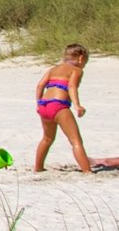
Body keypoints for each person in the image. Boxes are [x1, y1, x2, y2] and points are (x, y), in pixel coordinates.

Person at [31, 44, 92, 172]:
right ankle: (87, 171)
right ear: (81, 58)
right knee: (76, 141)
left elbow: (40, 86)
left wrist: (38, 103)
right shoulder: (77, 71)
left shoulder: (53, 69)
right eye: (85, 61)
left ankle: (38, 167)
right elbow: (72, 87)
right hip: (58, 105)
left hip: (44, 105)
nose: (84, 65)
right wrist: (77, 105)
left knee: (47, 139)